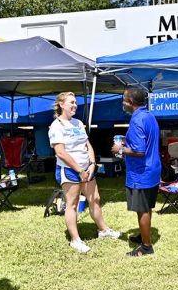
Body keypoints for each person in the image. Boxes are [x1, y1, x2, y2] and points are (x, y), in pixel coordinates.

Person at [49, 92, 120, 254]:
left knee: (95, 199)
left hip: (87, 169)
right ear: (61, 105)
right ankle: (75, 240)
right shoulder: (56, 126)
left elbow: (87, 145)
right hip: (70, 170)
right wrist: (79, 170)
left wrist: (93, 164)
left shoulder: (78, 123)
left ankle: (103, 230)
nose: (75, 105)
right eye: (71, 102)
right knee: (72, 204)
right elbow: (60, 153)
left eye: (76, 102)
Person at [111, 87, 161, 256]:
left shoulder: (136, 120)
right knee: (146, 206)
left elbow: (139, 151)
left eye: (124, 99)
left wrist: (119, 149)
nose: (122, 103)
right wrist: (128, 140)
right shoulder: (149, 116)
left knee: (142, 209)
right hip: (152, 169)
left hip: (141, 173)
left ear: (130, 102)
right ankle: (143, 235)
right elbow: (146, 140)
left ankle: (146, 247)